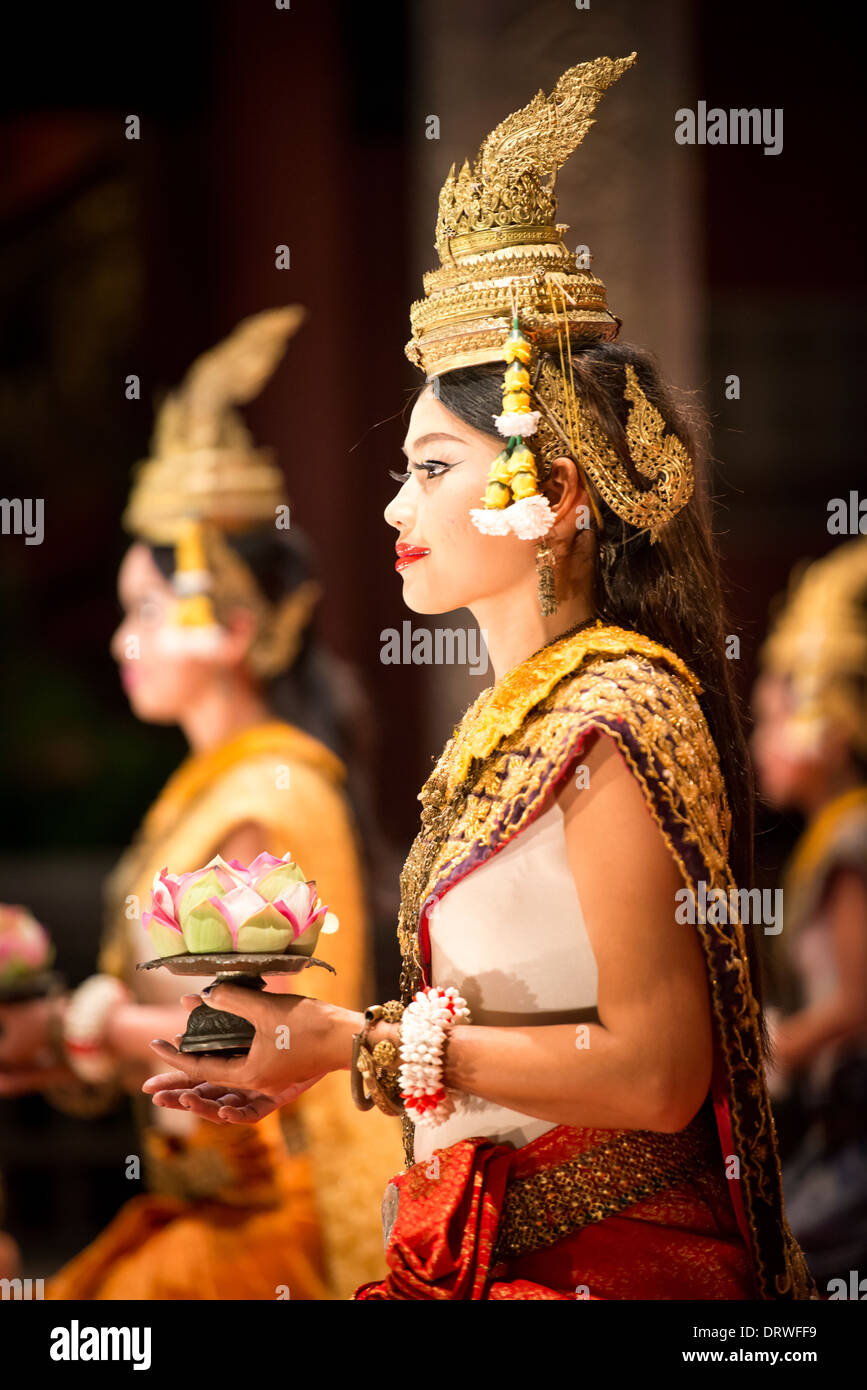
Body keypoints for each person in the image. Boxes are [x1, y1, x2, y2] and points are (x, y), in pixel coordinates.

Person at [143, 56, 816, 1300]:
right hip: (481, 1249)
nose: (398, 502)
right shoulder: (517, 726)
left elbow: (661, 1071)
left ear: (554, 493)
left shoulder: (618, 712)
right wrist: (274, 1051)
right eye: (405, 468)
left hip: (603, 1271)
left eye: (438, 466)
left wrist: (353, 1041)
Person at [0, 307, 402, 1299]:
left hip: (267, 1218)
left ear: (226, 627)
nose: (120, 641)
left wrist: (68, 1028)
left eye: (144, 611)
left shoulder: (266, 794)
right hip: (205, 1203)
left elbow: (239, 1034)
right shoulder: (212, 788)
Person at [752, 537, 867, 1290]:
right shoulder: (834, 834)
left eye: (768, 720)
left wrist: (772, 1051)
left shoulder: (852, 840)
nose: (759, 744)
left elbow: (858, 1001)